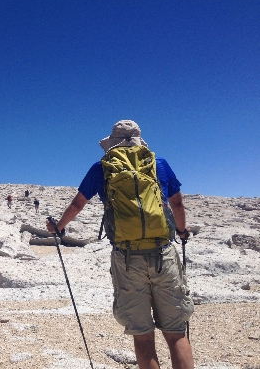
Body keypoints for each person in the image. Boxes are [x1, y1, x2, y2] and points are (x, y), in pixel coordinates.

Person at [46, 120, 194, 369]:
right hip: (163, 253)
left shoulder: (102, 167)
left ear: (113, 142)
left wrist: (59, 227)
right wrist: (181, 231)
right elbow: (177, 205)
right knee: (176, 332)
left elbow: (77, 204)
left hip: (127, 258)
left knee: (143, 335)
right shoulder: (158, 164)